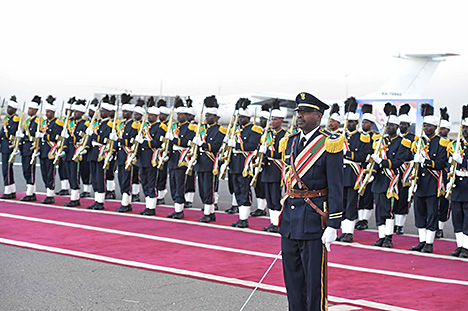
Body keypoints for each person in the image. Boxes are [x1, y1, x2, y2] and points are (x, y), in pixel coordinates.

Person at [280, 92, 343, 311]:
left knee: (314, 281)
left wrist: (333, 224)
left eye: (305, 112)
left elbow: (336, 186)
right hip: (289, 221)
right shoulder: (291, 141)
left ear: (318, 116)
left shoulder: (330, 143)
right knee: (293, 279)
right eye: (299, 112)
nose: (300, 116)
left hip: (314, 220)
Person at [369, 103, 411, 248]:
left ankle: (388, 237)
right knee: (379, 210)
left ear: (397, 127)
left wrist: (382, 162)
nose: (389, 128)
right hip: (379, 180)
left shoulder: (402, 143)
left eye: (392, 126)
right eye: (388, 126)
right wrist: (372, 173)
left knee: (389, 211)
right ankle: (381, 236)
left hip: (391, 180)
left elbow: (398, 162)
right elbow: (376, 162)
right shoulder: (382, 141)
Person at [409, 104, 448, 253]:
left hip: (433, 183)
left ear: (435, 127)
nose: (426, 128)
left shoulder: (442, 143)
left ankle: (430, 243)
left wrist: (425, 161)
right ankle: (422, 241)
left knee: (432, 214)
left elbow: (441, 163)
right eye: (424, 125)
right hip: (420, 183)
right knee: (420, 213)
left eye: (429, 126)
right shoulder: (419, 143)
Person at [337, 99, 371, 243]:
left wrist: (347, 154)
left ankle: (349, 232)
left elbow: (364, 156)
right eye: (347, 122)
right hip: (340, 174)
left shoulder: (362, 137)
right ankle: (343, 231)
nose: (349, 124)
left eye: (352, 122)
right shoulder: (340, 136)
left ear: (356, 123)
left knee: (351, 204)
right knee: (341, 204)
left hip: (352, 175)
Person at [229, 98, 262, 228]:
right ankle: (241, 217)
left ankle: (244, 219)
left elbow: (252, 145)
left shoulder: (254, 129)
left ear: (248, 118)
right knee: (237, 190)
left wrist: (236, 145)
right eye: (239, 117)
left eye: (242, 117)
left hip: (244, 165)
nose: (239, 120)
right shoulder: (236, 129)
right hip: (234, 164)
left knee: (244, 190)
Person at [193, 95, 226, 222]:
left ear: (216, 118)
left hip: (211, 164)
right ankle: (209, 212)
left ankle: (209, 213)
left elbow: (216, 147)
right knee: (202, 189)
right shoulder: (203, 130)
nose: (207, 118)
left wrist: (202, 144)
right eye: (206, 116)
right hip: (201, 163)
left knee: (209, 189)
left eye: (210, 116)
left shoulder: (220, 130)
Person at [166, 96, 196, 219]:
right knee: (173, 185)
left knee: (179, 185)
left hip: (181, 159)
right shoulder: (174, 127)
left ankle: (180, 210)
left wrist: (174, 140)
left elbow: (187, 142)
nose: (179, 116)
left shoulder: (190, 127)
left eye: (181, 114)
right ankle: (176, 207)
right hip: (173, 159)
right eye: (178, 114)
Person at [259, 99, 287, 232]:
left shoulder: (285, 135)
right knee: (269, 198)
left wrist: (268, 152)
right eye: (271, 119)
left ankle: (278, 223)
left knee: (276, 198)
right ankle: (273, 222)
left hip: (277, 170)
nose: (272, 122)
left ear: (281, 120)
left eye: (275, 119)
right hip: (267, 170)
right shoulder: (267, 134)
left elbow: (283, 155)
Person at [86, 95, 118, 210]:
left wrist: (94, 136)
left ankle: (100, 201)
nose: (101, 112)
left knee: (100, 178)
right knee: (94, 178)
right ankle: (96, 199)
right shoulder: (98, 124)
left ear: (109, 112)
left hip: (101, 153)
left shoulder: (110, 125)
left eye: (104, 111)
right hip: (93, 153)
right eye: (101, 110)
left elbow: (106, 139)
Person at [138, 97, 165, 216]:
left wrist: (143, 142)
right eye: (148, 115)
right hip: (142, 159)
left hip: (151, 159)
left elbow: (156, 143)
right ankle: (148, 205)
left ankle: (152, 207)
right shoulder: (145, 127)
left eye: (151, 115)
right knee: (143, 182)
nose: (149, 117)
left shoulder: (159, 128)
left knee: (151, 183)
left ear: (156, 116)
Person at [447, 105, 468, 258]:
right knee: (457, 217)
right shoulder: (456, 145)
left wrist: (464, 162)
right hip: (456, 185)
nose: (466, 131)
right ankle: (460, 245)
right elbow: (449, 165)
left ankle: (466, 247)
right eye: (464, 128)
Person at [355, 104, 380, 230]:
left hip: (370, 166)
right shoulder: (357, 135)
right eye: (363, 122)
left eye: (366, 122)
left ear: (371, 124)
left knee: (368, 195)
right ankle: (359, 218)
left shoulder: (376, 136)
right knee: (359, 194)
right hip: (359, 167)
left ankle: (365, 219)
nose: (364, 124)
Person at [37, 98, 64, 204]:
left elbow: (56, 137)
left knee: (50, 173)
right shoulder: (44, 123)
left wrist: (44, 136)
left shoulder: (57, 123)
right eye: (46, 111)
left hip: (51, 152)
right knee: (44, 173)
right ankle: (48, 191)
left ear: (53, 112)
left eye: (49, 112)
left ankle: (50, 195)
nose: (47, 113)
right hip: (43, 151)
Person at [115, 94, 138, 213]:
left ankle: (126, 203)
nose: (124, 114)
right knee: (121, 179)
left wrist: (120, 140)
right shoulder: (121, 125)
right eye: (123, 111)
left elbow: (132, 140)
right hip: (121, 155)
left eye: (127, 112)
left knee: (126, 180)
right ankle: (125, 202)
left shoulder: (134, 125)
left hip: (128, 155)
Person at [64, 99, 89, 207]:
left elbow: (83, 138)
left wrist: (71, 138)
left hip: (76, 152)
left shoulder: (85, 124)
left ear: (82, 113)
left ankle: (75, 198)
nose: (75, 114)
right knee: (70, 175)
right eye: (74, 112)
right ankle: (73, 196)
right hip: (69, 152)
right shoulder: (71, 123)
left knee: (75, 175)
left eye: (77, 112)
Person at [395, 103, 415, 234]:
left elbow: (412, 154)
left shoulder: (413, 138)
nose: (402, 126)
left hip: (405, 169)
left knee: (403, 197)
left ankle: (400, 224)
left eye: (404, 124)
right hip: (393, 169)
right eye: (400, 123)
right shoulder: (393, 138)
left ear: (408, 126)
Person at [19, 95, 41, 201]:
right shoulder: (27, 121)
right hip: (25, 147)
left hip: (31, 147)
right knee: (25, 170)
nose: (29, 110)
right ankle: (30, 190)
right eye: (29, 109)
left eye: (31, 109)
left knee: (30, 170)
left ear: (36, 110)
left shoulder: (37, 122)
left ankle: (30, 193)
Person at [0, 96, 21, 199]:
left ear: (14, 109)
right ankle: (11, 190)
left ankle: (8, 190)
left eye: (10, 108)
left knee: (6, 169)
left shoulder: (16, 119)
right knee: (7, 169)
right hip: (3, 146)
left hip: (9, 146)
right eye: (8, 107)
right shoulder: (6, 119)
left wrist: (4, 132)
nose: (8, 109)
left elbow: (11, 132)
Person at [436, 107, 451, 239]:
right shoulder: (433, 142)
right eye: (440, 129)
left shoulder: (451, 144)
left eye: (444, 129)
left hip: (446, 175)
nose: (442, 131)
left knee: (444, 203)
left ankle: (440, 228)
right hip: (434, 175)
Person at [156, 98, 170, 204]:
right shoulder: (155, 125)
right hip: (154, 152)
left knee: (162, 175)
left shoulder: (169, 126)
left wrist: (167, 153)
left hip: (163, 152)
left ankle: (161, 195)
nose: (160, 116)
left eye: (162, 114)